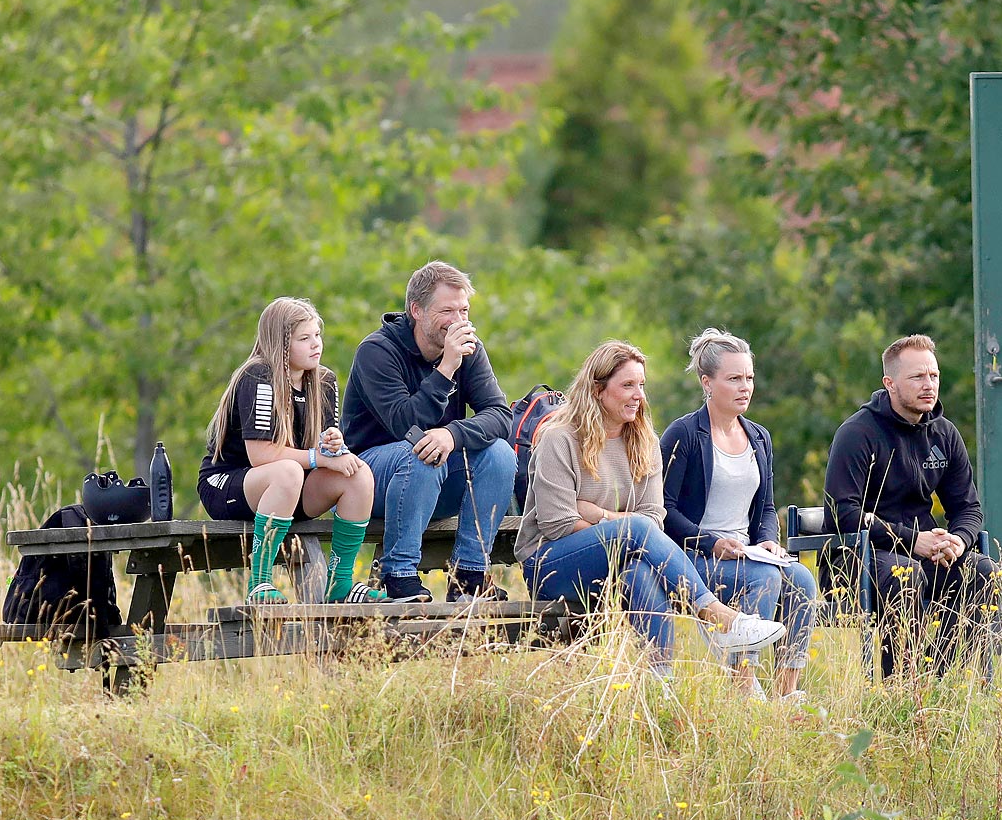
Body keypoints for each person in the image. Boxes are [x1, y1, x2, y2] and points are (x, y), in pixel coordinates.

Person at [516, 340, 786, 673]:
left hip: (618, 561)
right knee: (636, 533)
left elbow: (653, 519)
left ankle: (661, 683)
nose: (639, 395)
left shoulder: (643, 441)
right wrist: (625, 532)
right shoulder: (560, 439)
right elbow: (558, 524)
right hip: (552, 564)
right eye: (627, 385)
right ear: (598, 390)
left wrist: (601, 517)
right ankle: (718, 615)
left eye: (641, 385)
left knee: (638, 570)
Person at [341, 261, 517, 604]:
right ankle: (399, 576)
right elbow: (406, 425)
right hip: (366, 482)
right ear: (417, 310)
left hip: (431, 479)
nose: (459, 321)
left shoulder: (470, 350)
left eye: (464, 310)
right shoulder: (377, 351)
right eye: (447, 310)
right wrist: (447, 367)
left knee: (499, 453)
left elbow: (500, 416)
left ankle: (469, 577)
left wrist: (452, 434)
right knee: (421, 450)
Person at [824, 334, 999, 678]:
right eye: (917, 377)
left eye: (933, 376)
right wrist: (911, 540)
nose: (928, 385)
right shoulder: (857, 433)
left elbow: (968, 508)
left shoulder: (945, 434)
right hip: (860, 554)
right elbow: (841, 512)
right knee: (905, 574)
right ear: (889, 383)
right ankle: (901, 689)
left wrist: (957, 541)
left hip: (923, 552)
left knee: (982, 570)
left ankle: (937, 680)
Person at [659, 328, 817, 700]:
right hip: (694, 558)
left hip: (748, 553)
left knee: (803, 580)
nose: (745, 386)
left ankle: (785, 695)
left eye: (749, 377)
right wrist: (712, 543)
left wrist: (767, 540)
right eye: (734, 379)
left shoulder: (759, 436)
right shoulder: (683, 434)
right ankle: (742, 688)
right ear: (707, 383)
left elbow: (765, 507)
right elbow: (663, 511)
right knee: (765, 579)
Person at [198, 297, 383, 605]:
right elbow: (261, 456)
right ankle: (259, 583)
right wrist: (316, 457)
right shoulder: (258, 375)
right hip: (229, 484)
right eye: (304, 338)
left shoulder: (323, 380)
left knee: (358, 474)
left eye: (317, 336)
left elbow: (318, 449)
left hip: (290, 488)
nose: (316, 344)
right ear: (281, 344)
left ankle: (341, 584)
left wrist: (332, 446)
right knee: (288, 470)